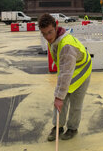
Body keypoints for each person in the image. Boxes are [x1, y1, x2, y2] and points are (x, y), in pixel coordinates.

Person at [38, 13, 92, 141]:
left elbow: (66, 74)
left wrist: (59, 97)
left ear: (56, 26)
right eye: (44, 34)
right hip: (69, 70)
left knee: (74, 102)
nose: (48, 37)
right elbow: (64, 72)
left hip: (81, 72)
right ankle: (58, 127)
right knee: (60, 99)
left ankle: (72, 128)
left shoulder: (67, 46)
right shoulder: (55, 40)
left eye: (50, 32)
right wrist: (60, 96)